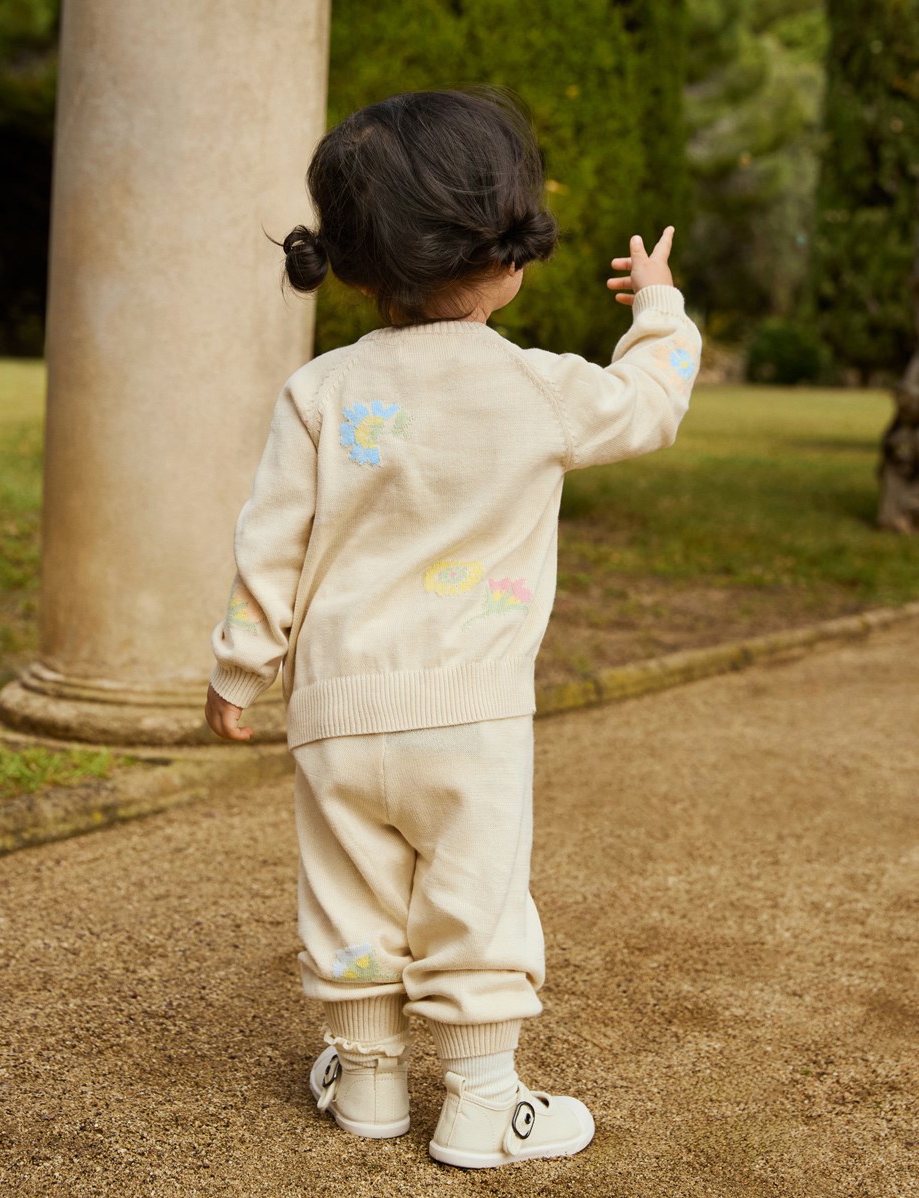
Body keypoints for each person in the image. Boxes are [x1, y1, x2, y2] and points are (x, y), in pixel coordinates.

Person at [205, 88, 700, 1169]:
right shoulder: (538, 388)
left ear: (355, 264)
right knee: (474, 900)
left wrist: (239, 671)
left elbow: (268, 543)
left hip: (336, 712)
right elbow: (653, 401)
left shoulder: (321, 391)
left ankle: (369, 1083)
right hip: (471, 717)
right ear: (507, 249)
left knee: (349, 897)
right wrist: (659, 308)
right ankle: (482, 1103)